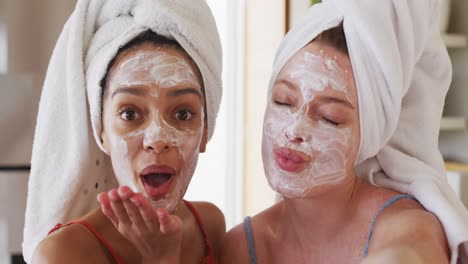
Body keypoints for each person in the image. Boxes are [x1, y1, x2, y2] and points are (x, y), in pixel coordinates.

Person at [221, 0, 468, 263]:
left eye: (330, 118)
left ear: (369, 135)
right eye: (283, 101)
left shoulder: (409, 229)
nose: (294, 130)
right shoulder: (239, 246)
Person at [23, 0, 225, 263]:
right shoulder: (62, 254)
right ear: (101, 131)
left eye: (182, 114)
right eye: (130, 114)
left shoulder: (210, 225)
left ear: (206, 128)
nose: (157, 139)